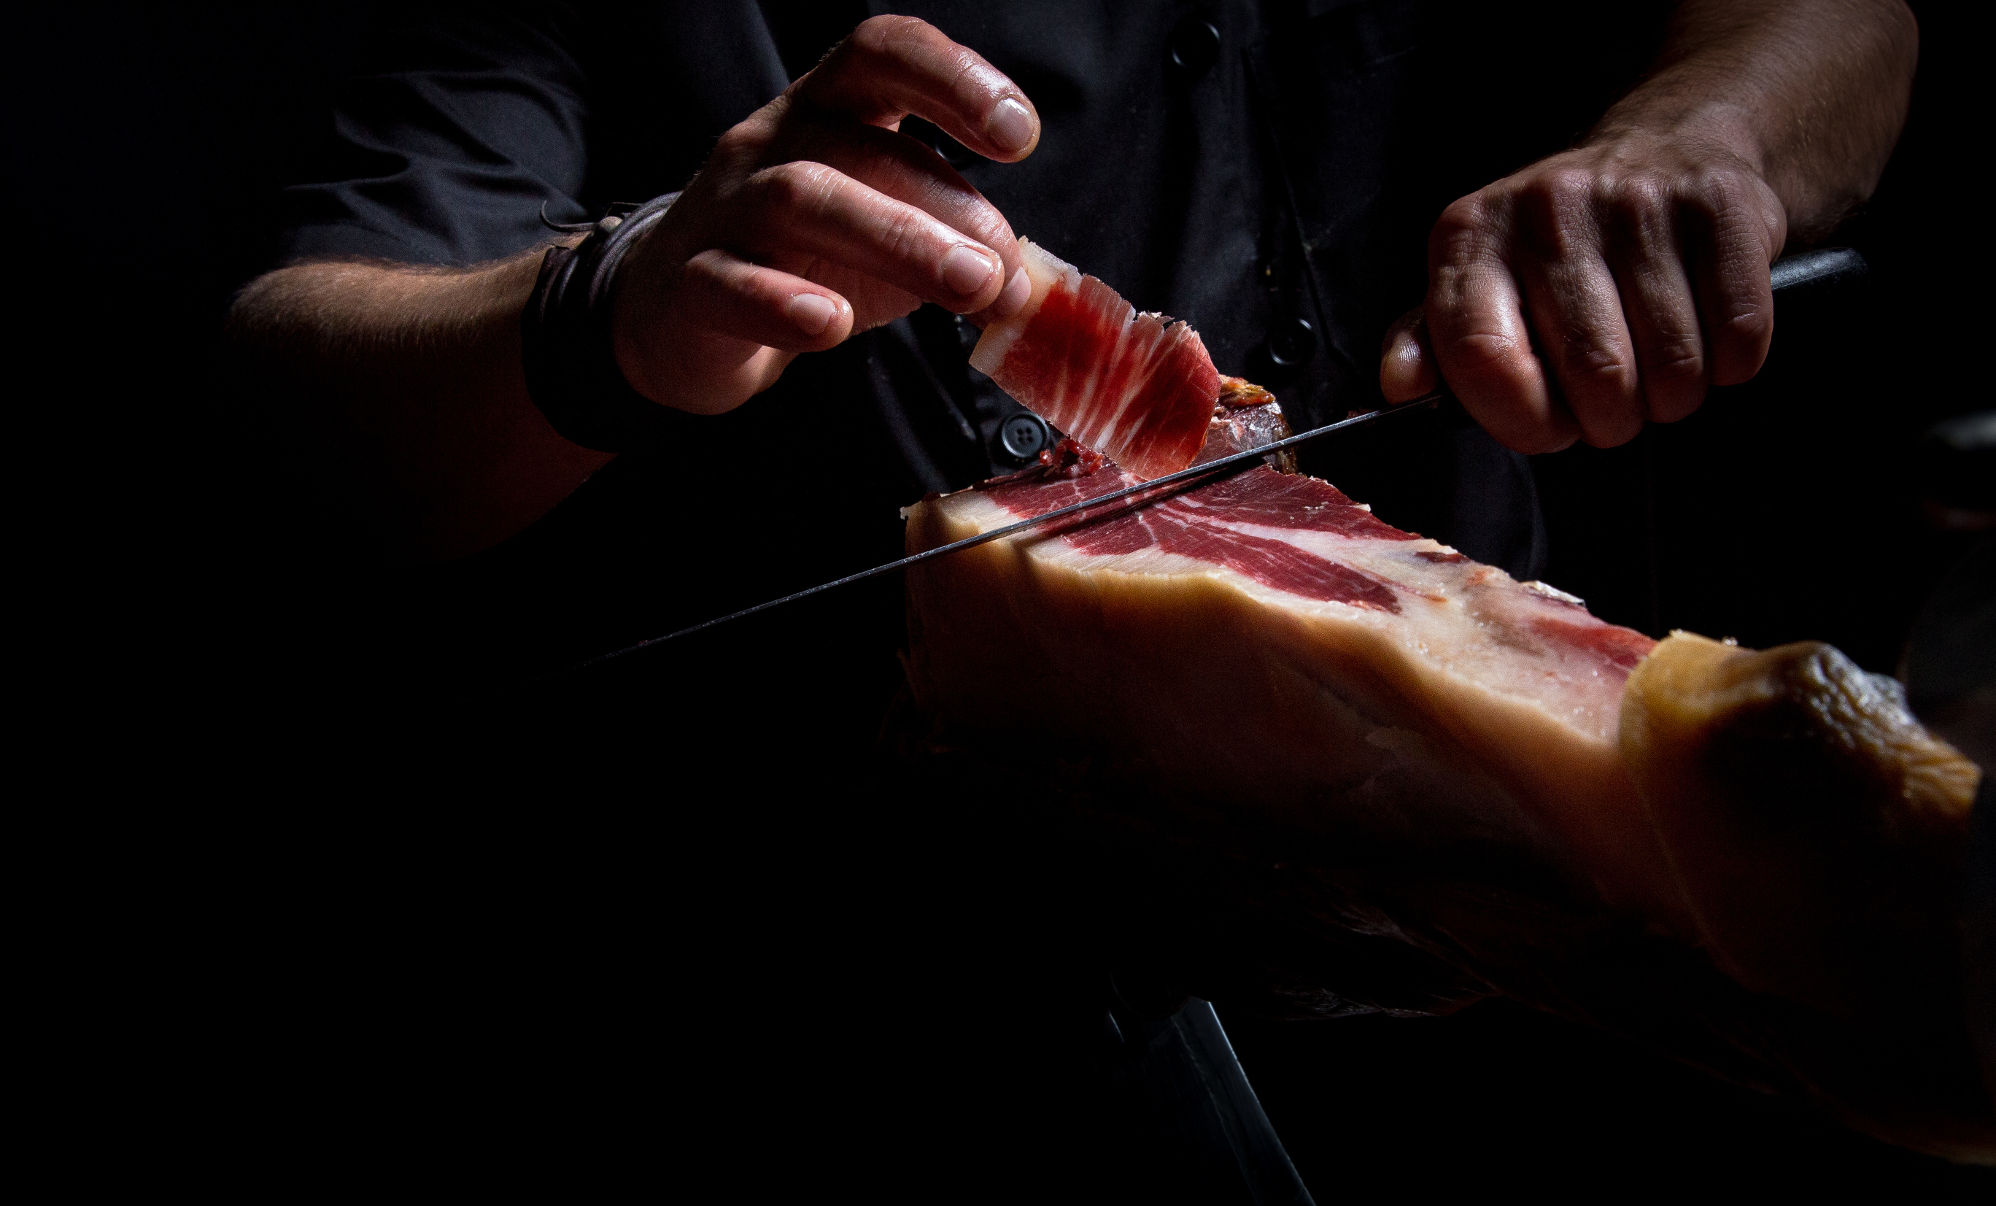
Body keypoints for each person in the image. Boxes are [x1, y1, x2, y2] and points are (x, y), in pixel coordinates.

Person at [216, 2, 1928, 1195]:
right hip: (939, 1009)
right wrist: (603, 309)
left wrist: (1699, 136)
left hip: (1538, 906)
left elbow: (1849, 19)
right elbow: (298, 394)